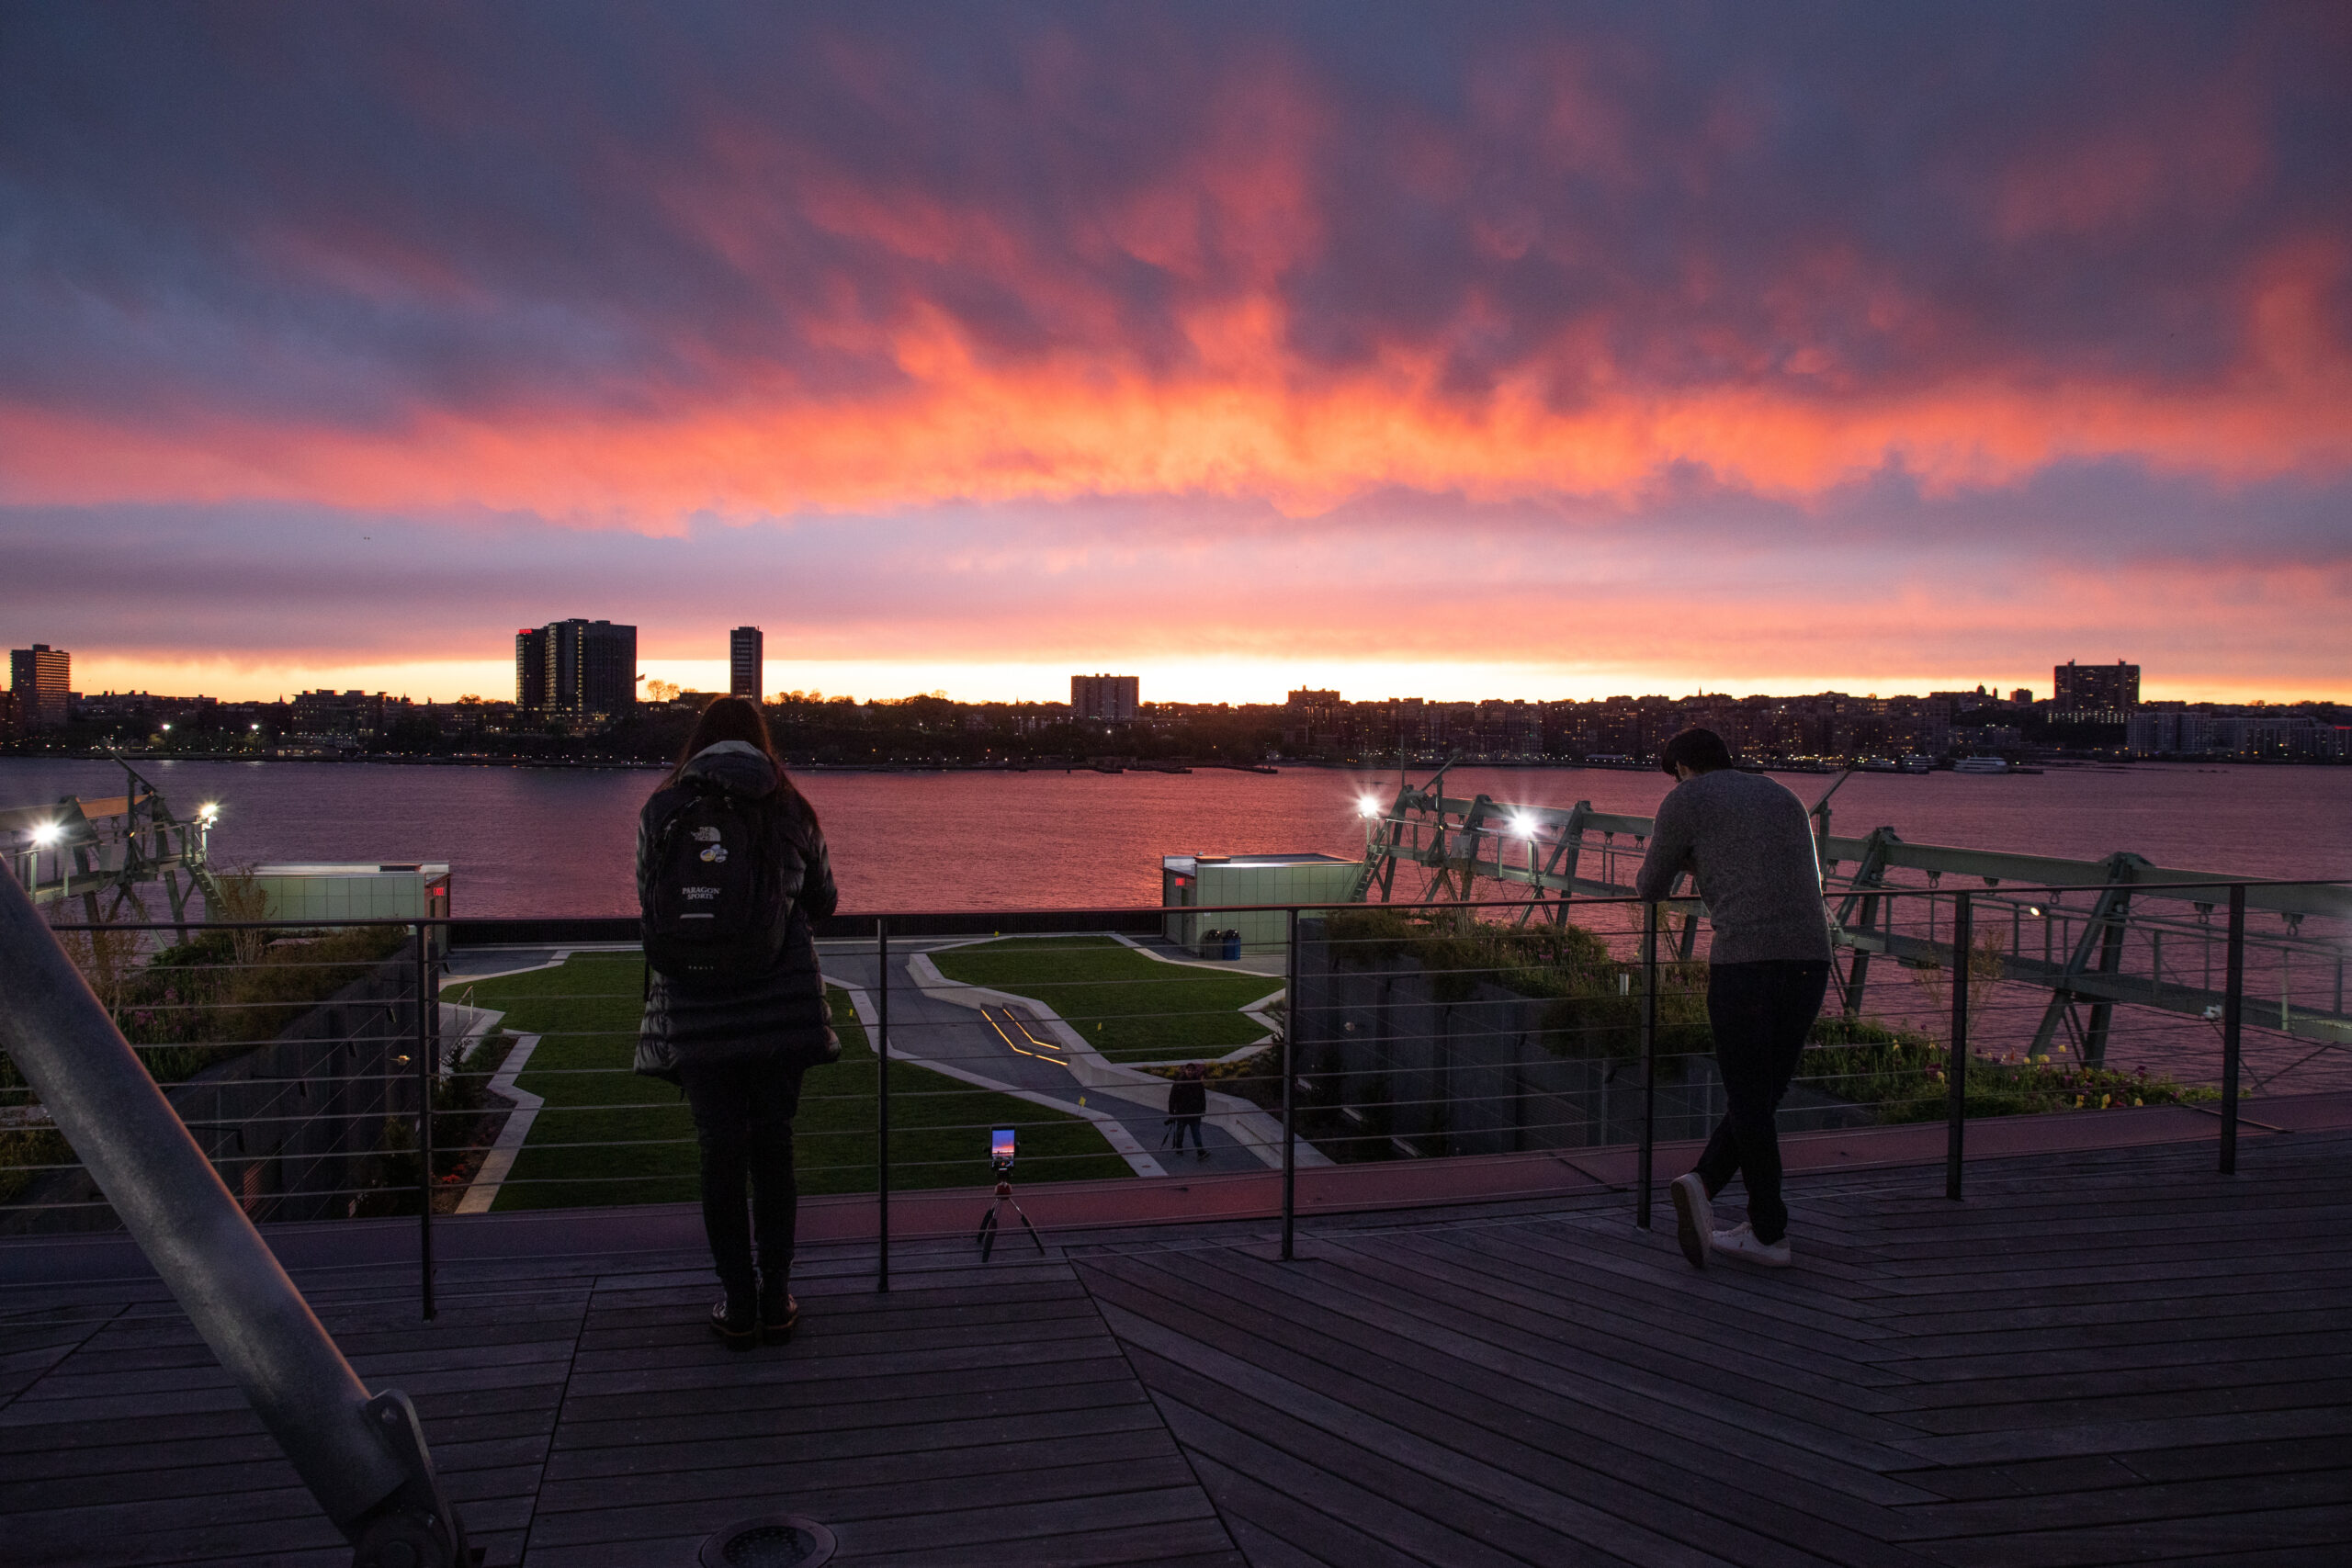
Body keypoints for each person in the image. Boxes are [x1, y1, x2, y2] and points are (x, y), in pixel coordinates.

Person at [636, 697, 840, 1348]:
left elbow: (650, 896)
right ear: (761, 743)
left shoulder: (663, 810)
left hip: (696, 1011)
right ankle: (777, 1297)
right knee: (773, 1148)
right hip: (781, 1011)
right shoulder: (791, 808)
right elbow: (825, 899)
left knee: (720, 1152)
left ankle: (737, 1298)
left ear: (698, 744)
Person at [1634, 728, 1833, 1269]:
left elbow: (1650, 886)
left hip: (1746, 961)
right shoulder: (1780, 794)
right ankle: (1701, 1184)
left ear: (1682, 769)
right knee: (1764, 1094)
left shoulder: (1686, 799)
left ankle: (1770, 1233)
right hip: (1811, 957)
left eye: (1675, 774)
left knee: (1749, 1099)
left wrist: (1693, 860)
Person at [1167, 1061, 1209, 1159]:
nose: (1190, 1072)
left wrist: (1203, 1109)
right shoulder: (1179, 1083)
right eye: (1188, 1070)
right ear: (1185, 1071)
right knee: (1180, 1132)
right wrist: (1171, 1112)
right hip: (1182, 1113)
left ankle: (1200, 1151)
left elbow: (1202, 1097)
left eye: (1192, 1070)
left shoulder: (1198, 1083)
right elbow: (1172, 1098)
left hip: (1194, 1113)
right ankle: (1179, 1147)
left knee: (1196, 1133)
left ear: (1195, 1071)